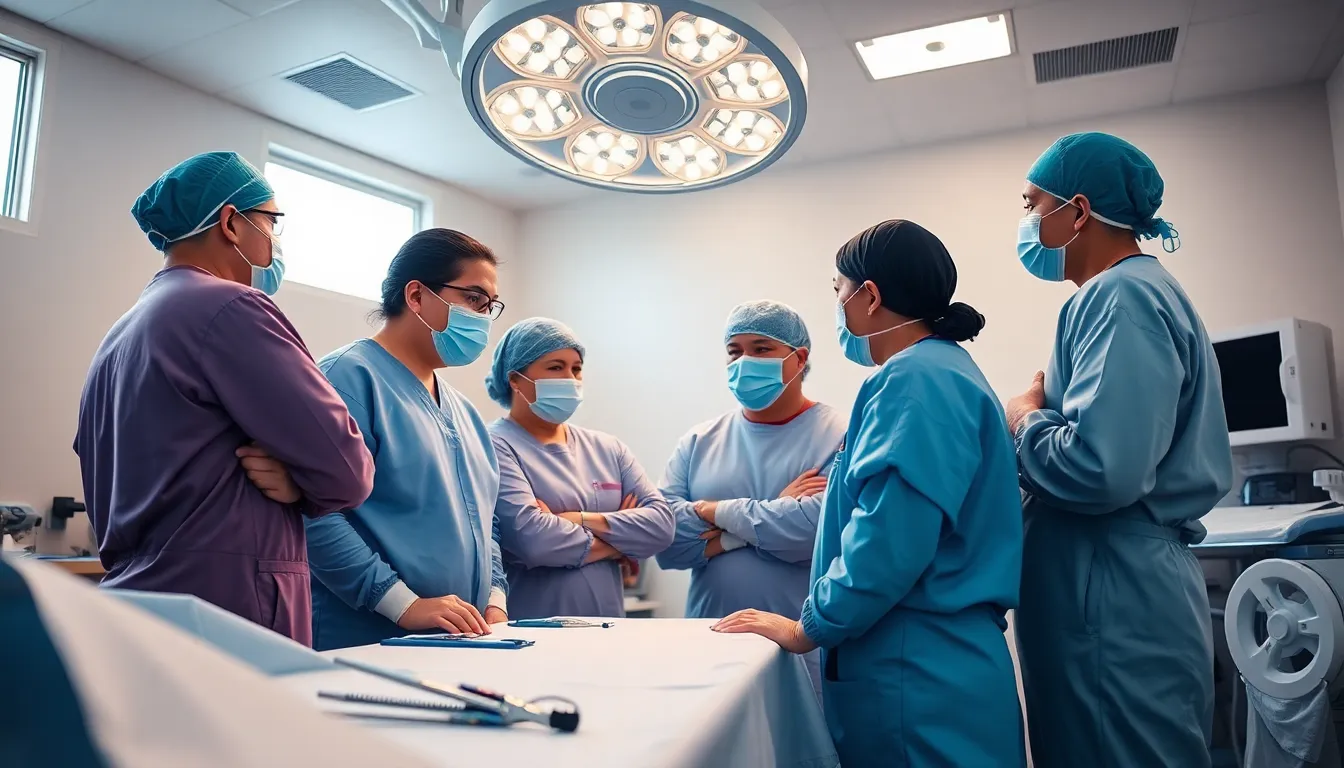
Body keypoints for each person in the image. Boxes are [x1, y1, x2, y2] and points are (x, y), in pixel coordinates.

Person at [713, 220, 1027, 767]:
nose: (837, 305)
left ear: (870, 296)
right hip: (935, 669)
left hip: (915, 673)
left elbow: (888, 540)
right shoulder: (947, 371)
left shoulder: (913, 379)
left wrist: (808, 627)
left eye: (838, 290)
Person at [74, 151, 373, 647]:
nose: (275, 240)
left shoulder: (119, 337)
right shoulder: (230, 307)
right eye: (272, 222)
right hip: (223, 609)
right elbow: (347, 470)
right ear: (232, 223)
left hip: (137, 608)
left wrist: (295, 477)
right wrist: (303, 484)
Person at [1005, 132, 1233, 768]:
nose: (1026, 222)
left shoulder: (1120, 296)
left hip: (1112, 593)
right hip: (1108, 586)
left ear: (1077, 211)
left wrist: (1024, 420)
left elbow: (1104, 471)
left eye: (1032, 204)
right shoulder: (1127, 294)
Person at [305, 229, 510, 651]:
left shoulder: (465, 413)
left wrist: (494, 597)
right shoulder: (347, 379)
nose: (483, 318)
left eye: (490, 306)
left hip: (462, 637)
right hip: (366, 640)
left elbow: (483, 518)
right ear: (416, 296)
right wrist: (401, 603)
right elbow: (313, 512)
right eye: (474, 299)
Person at [656, 300, 845, 692]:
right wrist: (772, 512)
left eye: (761, 349)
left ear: (798, 359)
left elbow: (810, 534)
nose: (744, 362)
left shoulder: (840, 435)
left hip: (800, 645)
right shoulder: (699, 441)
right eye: (734, 351)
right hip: (708, 639)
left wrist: (711, 511)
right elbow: (666, 542)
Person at [487, 317, 675, 619]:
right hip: (535, 627)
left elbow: (662, 527)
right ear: (515, 379)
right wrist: (621, 543)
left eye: (576, 369)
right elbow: (534, 541)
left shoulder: (608, 448)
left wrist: (577, 519)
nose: (570, 378)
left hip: (609, 626)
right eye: (555, 367)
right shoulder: (494, 445)